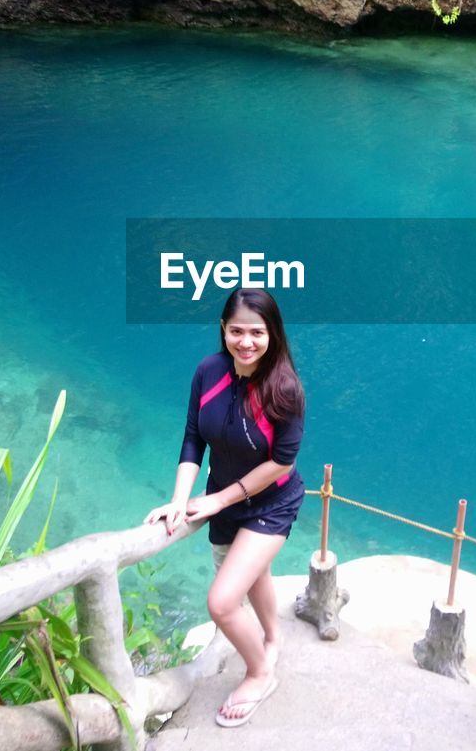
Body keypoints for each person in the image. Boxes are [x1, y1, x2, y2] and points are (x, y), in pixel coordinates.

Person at [144, 287, 306, 728]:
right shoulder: (208, 371)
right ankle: (272, 639)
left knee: (221, 601)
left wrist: (217, 498)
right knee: (254, 576)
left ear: (273, 334)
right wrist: (179, 500)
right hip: (225, 501)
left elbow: (281, 462)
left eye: (257, 332)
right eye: (237, 331)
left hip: (270, 502)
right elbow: (194, 437)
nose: (246, 341)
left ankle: (259, 673)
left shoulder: (285, 390)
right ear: (223, 329)